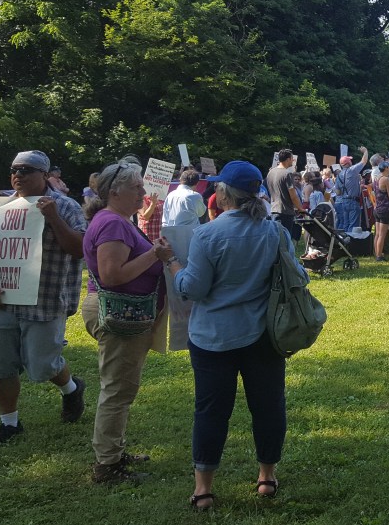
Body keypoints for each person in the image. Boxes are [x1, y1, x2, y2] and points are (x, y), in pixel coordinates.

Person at [155, 161, 300, 511]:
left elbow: (192, 288)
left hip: (212, 339)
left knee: (210, 411)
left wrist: (172, 261)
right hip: (264, 336)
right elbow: (296, 277)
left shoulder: (208, 235)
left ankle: (203, 489)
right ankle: (267, 476)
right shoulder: (275, 232)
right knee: (268, 407)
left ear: (222, 194)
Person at [0, 150, 88, 445]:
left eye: (27, 170)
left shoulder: (66, 206)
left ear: (45, 176)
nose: (18, 175)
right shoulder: (2, 208)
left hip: (45, 301)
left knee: (43, 364)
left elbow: (80, 248)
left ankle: (72, 389)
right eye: (14, 170)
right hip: (3, 299)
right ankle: (10, 424)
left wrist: (53, 218)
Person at [81, 157, 166, 484]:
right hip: (120, 315)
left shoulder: (115, 219)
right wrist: (154, 255)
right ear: (115, 192)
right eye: (137, 187)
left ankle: (112, 453)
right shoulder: (114, 223)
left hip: (123, 314)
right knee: (117, 391)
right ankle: (107, 466)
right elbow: (112, 275)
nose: (143, 193)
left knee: (120, 388)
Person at [265, 150, 305, 242]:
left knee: (275, 238)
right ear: (288, 159)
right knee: (285, 240)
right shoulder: (287, 174)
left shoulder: (270, 172)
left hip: (273, 209)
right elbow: (293, 195)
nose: (293, 161)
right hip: (285, 211)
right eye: (292, 159)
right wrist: (300, 208)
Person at [334, 146, 369, 232]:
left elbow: (338, 192)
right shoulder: (352, 170)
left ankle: (344, 243)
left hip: (344, 201)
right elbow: (364, 161)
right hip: (353, 201)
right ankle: (350, 243)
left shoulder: (339, 175)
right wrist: (365, 151)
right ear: (348, 163)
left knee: (346, 224)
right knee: (353, 225)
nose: (351, 162)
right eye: (350, 160)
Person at [372, 173, 389, 262]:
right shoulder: (385, 179)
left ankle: (377, 253)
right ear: (386, 169)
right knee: (382, 235)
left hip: (377, 207)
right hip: (384, 208)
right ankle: (379, 256)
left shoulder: (376, 178)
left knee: (377, 234)